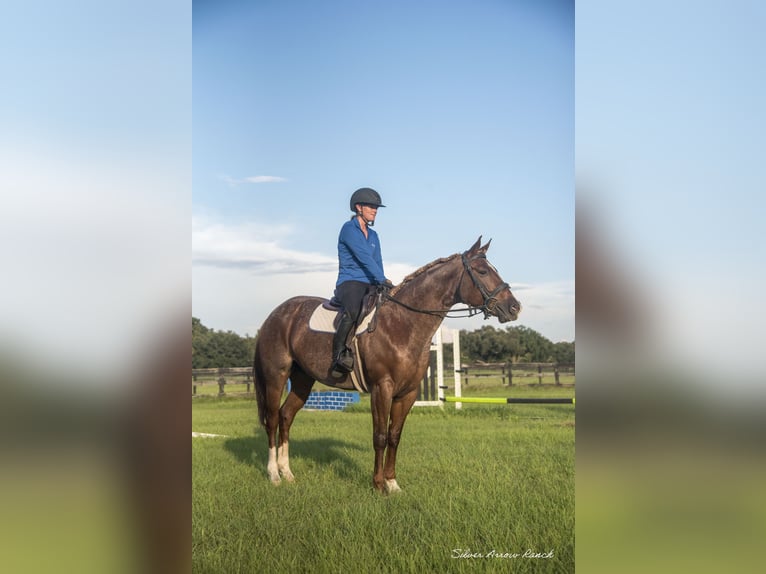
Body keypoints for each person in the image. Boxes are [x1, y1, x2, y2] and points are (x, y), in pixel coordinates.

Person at [331, 187, 393, 377]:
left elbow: (377, 261)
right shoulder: (348, 229)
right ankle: (339, 355)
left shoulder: (374, 236)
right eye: (371, 207)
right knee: (354, 310)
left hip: (372, 282)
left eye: (376, 208)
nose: (375, 210)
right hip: (350, 282)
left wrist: (384, 283)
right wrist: (382, 279)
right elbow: (364, 257)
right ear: (359, 207)